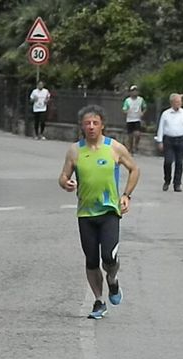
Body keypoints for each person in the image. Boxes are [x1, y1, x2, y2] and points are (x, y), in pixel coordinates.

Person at [58, 105, 140, 319]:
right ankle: (98, 301)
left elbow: (134, 169)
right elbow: (63, 176)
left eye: (95, 122)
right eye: (87, 123)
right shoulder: (75, 150)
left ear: (102, 124)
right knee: (92, 260)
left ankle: (112, 280)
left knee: (109, 257)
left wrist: (126, 195)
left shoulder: (114, 147)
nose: (91, 126)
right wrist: (66, 183)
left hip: (109, 211)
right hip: (85, 214)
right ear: (82, 126)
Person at [155, 93, 183, 192]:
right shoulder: (166, 114)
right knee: (168, 161)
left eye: (180, 102)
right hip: (168, 139)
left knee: (179, 162)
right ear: (172, 103)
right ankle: (167, 180)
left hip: (181, 139)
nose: (178, 104)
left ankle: (177, 184)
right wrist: (159, 141)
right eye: (176, 102)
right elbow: (161, 127)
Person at [122, 85, 146, 155]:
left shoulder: (140, 100)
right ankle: (131, 149)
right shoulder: (127, 100)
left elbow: (144, 107)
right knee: (130, 136)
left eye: (136, 91)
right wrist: (126, 111)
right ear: (130, 92)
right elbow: (124, 109)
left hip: (137, 119)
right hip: (130, 119)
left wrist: (142, 113)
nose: (135, 92)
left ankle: (136, 145)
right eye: (133, 91)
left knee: (137, 134)